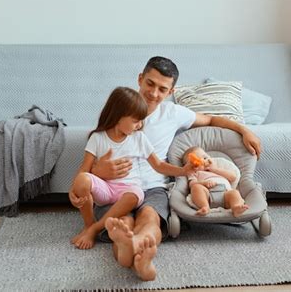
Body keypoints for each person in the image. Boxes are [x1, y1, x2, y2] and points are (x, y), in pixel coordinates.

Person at [70, 56, 262, 281]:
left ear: (171, 92)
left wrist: (244, 130)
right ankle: (130, 250)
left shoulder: (174, 113)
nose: (153, 93)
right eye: (150, 84)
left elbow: (210, 119)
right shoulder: (121, 109)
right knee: (122, 224)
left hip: (153, 187)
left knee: (150, 218)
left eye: (162, 89)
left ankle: (136, 249)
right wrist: (97, 172)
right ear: (140, 79)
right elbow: (96, 152)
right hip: (118, 187)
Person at [69, 87, 196, 250]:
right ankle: (88, 225)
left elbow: (158, 165)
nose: (140, 125)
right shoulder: (98, 138)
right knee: (82, 179)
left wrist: (183, 171)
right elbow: (84, 169)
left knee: (136, 194)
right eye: (136, 121)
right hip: (106, 190)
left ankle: (95, 228)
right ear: (118, 117)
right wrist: (74, 189)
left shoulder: (138, 138)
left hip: (127, 192)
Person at [183, 146, 249, 216]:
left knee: (235, 193)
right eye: (197, 163)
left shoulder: (218, 168)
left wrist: (214, 169)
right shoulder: (194, 173)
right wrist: (203, 183)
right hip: (207, 195)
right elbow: (191, 184)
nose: (204, 162)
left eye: (205, 158)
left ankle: (236, 207)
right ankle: (205, 207)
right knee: (196, 187)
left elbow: (233, 177)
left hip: (225, 194)